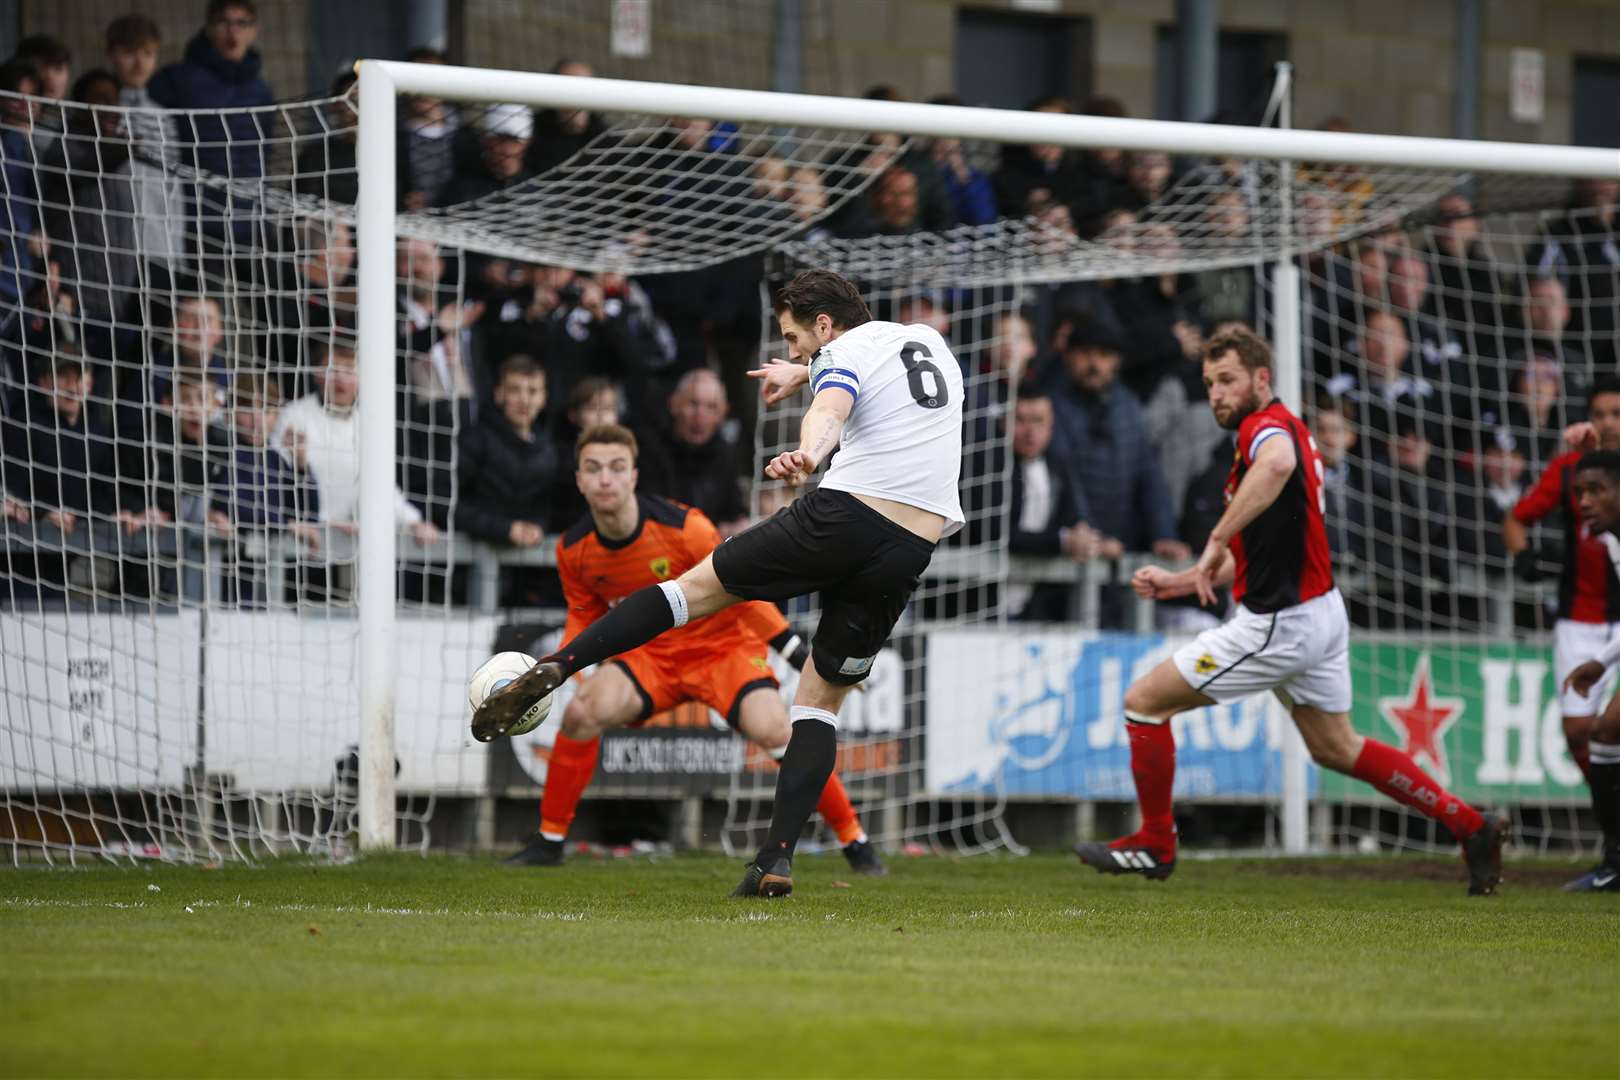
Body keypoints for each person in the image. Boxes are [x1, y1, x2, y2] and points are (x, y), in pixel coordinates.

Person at [469, 269, 963, 899]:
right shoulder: (928, 343)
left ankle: (558, 666)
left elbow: (832, 405)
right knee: (817, 702)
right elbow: (865, 379)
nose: (791, 353)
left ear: (822, 325)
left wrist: (810, 451)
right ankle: (774, 860)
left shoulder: (839, 353)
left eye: (793, 340)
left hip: (844, 514)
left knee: (689, 591)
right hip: (911, 547)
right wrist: (802, 370)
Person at [1074, 326, 1507, 895]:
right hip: (1319, 613)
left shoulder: (1268, 430)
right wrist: (1188, 579)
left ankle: (1155, 842)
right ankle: (1471, 825)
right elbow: (1260, 546)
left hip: (1280, 623)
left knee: (1144, 704)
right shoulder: (1285, 431)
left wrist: (1214, 537)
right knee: (1338, 747)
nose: (1217, 395)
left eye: (1227, 381)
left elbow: (1274, 466)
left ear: (1261, 379)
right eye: (1208, 385)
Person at [504, 424, 884, 875]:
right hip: (651, 658)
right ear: (579, 480)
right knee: (582, 713)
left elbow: (745, 590)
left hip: (721, 649)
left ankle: (854, 841)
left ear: (633, 476)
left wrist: (796, 653)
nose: (605, 479)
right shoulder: (574, 549)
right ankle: (549, 840)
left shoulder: (686, 529)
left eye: (616, 468)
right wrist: (559, 672)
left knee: (779, 732)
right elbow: (583, 617)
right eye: (594, 469)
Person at [1504, 378, 1620, 789]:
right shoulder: (1570, 469)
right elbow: (1517, 518)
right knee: (1578, 731)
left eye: (1616, 414)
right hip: (1581, 615)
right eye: (1599, 414)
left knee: (1611, 728)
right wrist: (1524, 557)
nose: (1607, 422)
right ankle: (1609, 813)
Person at [1555, 450, 1620, 892]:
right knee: (1607, 731)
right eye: (1580, 491)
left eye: (1597, 490)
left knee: (1608, 730)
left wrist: (1604, 659)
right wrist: (1603, 661)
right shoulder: (1612, 540)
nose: (1585, 501)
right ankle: (1615, 862)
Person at [455, 355, 556, 549]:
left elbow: (544, 508)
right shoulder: (475, 440)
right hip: (468, 561)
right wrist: (504, 529)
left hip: (523, 568)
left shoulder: (548, 451)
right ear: (499, 394)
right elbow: (446, 501)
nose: (524, 399)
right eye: (515, 390)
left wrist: (538, 527)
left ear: (544, 398)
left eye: (533, 391)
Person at [635, 369, 748, 536]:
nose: (700, 415)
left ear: (723, 413)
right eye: (693, 404)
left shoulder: (725, 454)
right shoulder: (649, 450)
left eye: (711, 407)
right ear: (674, 404)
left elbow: (736, 511)